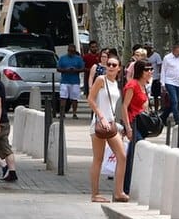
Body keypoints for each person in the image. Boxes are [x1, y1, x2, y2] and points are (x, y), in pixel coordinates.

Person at [86, 52, 128, 203]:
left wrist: (117, 124)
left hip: (111, 124)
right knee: (98, 158)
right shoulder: (100, 80)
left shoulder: (115, 84)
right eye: (108, 64)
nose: (110, 67)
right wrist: (100, 116)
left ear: (119, 68)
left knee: (122, 156)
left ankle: (118, 191)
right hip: (99, 123)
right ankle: (95, 194)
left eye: (114, 65)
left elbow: (113, 107)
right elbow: (90, 99)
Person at [121, 60, 151, 196]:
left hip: (142, 123)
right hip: (133, 123)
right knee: (133, 155)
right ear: (140, 71)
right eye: (147, 69)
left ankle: (133, 185)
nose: (150, 71)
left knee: (137, 154)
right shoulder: (132, 85)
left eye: (151, 69)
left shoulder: (144, 85)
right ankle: (126, 187)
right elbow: (124, 107)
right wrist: (128, 127)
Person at [159, 43, 179, 127]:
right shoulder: (167, 58)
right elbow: (163, 71)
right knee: (175, 101)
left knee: (175, 102)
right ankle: (177, 120)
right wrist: (163, 83)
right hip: (169, 82)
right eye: (176, 52)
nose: (178, 54)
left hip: (178, 83)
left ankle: (163, 117)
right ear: (173, 50)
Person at [56, 44, 85, 115]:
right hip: (64, 81)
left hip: (75, 81)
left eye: (73, 51)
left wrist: (76, 70)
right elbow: (58, 68)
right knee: (63, 97)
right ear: (67, 50)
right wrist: (65, 70)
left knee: (74, 98)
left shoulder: (78, 59)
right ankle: (62, 113)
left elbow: (83, 68)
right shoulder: (62, 58)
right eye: (70, 51)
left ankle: (74, 113)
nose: (71, 52)